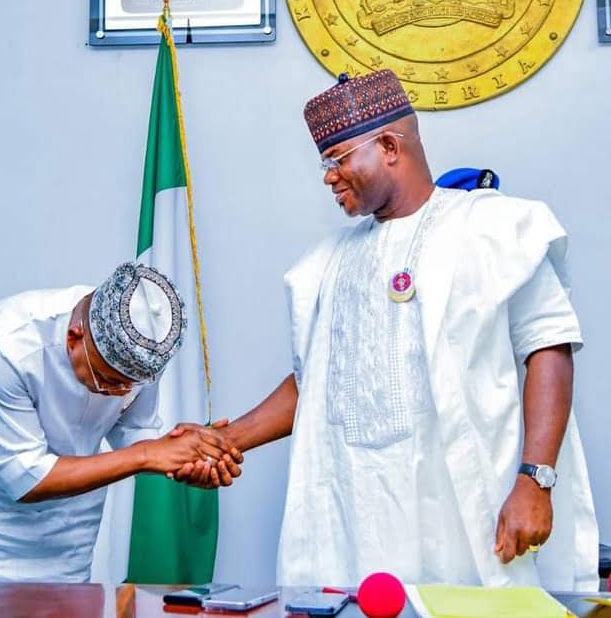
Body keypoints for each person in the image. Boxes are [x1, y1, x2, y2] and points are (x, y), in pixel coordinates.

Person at [176, 71, 599, 590]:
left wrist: (536, 480)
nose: (328, 176)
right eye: (324, 164)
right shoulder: (324, 265)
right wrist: (223, 440)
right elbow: (317, 382)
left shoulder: (496, 228)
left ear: (390, 146)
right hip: (356, 527)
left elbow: (548, 347)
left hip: (474, 522)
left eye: (337, 159)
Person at [0, 262, 242, 616]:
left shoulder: (142, 345)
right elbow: (25, 478)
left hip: (68, 532)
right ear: (75, 336)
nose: (120, 392)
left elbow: (135, 432)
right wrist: (150, 454)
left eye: (131, 385)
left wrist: (185, 455)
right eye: (108, 379)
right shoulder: (3, 342)